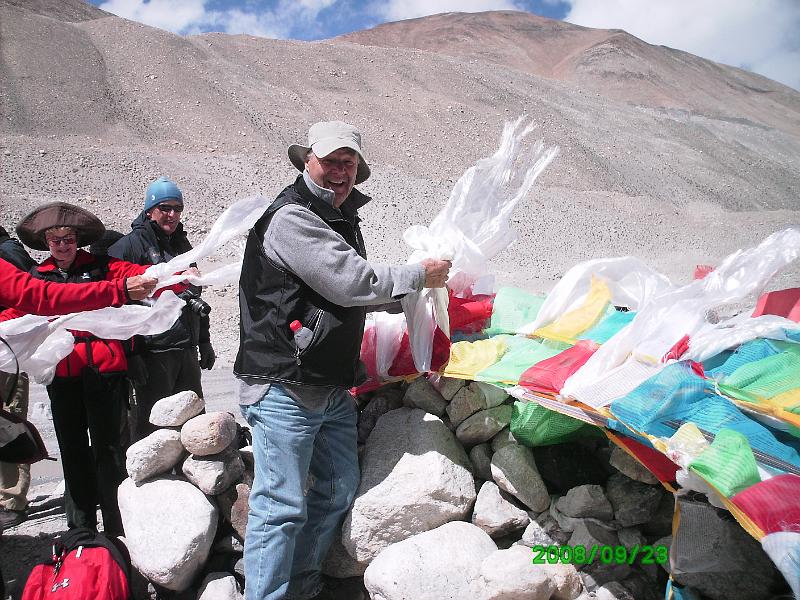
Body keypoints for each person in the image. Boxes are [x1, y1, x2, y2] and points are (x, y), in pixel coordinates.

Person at [234, 121, 451, 600]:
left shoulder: (339, 217)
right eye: (330, 160)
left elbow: (346, 295)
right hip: (283, 384)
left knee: (336, 488)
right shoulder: (293, 217)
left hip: (328, 385)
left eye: (348, 163)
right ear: (306, 161)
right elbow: (349, 281)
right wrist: (418, 274)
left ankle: (303, 586)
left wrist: (410, 299)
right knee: (280, 505)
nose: (339, 171)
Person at [12, 202, 157, 536]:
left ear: (77, 239)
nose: (62, 245)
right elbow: (16, 315)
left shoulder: (105, 267)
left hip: (105, 373)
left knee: (109, 450)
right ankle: (80, 529)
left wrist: (171, 274)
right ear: (46, 243)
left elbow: (141, 276)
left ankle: (117, 527)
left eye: (68, 238)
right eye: (55, 240)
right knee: (72, 449)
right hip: (62, 377)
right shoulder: (36, 279)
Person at [109, 177, 215, 440]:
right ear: (149, 211)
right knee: (152, 427)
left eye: (177, 209)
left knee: (192, 424)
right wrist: (131, 354)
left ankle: (188, 478)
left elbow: (191, 295)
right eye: (165, 208)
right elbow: (118, 307)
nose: (172, 215)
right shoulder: (129, 247)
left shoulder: (181, 244)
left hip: (185, 348)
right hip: (152, 352)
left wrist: (204, 341)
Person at [0, 226, 36, 530]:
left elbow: (29, 295)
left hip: (7, 351)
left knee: (8, 423)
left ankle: (12, 499)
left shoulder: (8, 252)